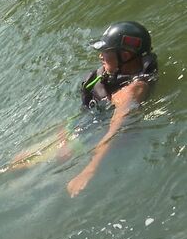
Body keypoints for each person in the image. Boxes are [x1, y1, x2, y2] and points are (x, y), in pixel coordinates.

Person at [66, 21, 157, 196]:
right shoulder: (113, 76)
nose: (100, 56)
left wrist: (89, 170)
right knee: (19, 161)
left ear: (124, 54)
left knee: (24, 168)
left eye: (106, 51)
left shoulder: (133, 89)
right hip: (82, 126)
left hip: (91, 135)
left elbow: (117, 128)